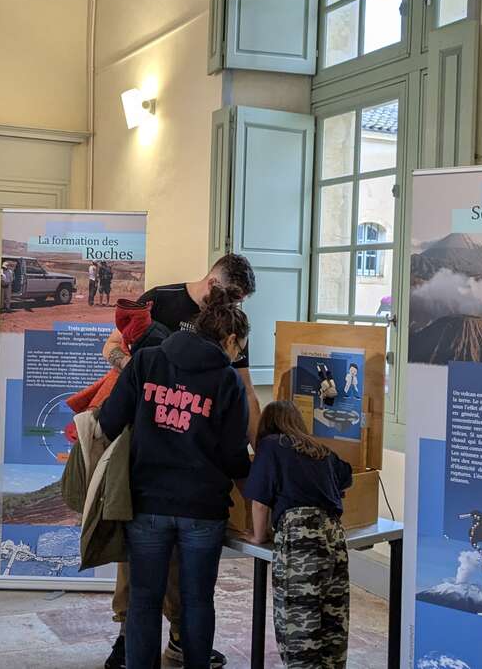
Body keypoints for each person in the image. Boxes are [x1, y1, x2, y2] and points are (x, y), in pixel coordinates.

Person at [101, 253, 259, 669]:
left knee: (144, 599)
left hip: (147, 501)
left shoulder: (148, 361)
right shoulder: (226, 379)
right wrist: (255, 490)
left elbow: (110, 422)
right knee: (197, 601)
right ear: (228, 339)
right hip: (203, 509)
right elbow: (232, 453)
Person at [243, 401, 354, 669]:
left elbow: (260, 503)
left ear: (268, 424)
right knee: (332, 620)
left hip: (300, 535)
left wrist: (259, 536)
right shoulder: (319, 449)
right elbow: (347, 477)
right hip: (334, 534)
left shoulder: (270, 446)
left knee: (299, 624)